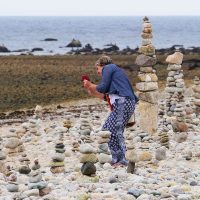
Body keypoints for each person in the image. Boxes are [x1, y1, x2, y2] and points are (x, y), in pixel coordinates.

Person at [83, 55, 138, 167]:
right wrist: (92, 90)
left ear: (101, 65)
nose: (98, 72)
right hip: (124, 102)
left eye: (97, 69)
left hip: (123, 102)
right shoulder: (115, 74)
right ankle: (116, 158)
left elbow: (103, 87)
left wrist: (91, 85)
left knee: (116, 131)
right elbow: (105, 95)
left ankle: (123, 159)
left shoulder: (109, 68)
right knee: (107, 130)